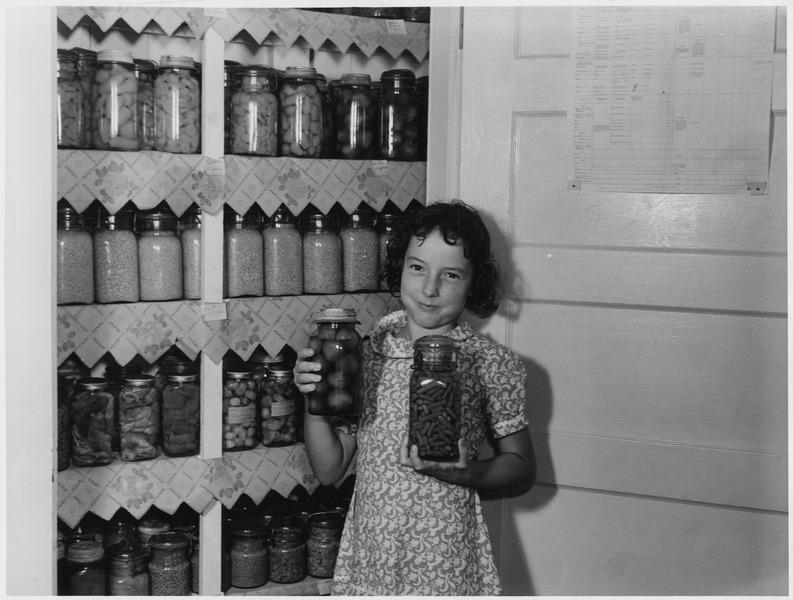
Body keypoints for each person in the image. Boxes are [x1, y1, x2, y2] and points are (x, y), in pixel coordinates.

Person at [294, 200, 536, 595]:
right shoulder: (367, 354)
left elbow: (522, 469)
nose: (429, 288)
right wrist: (313, 399)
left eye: (452, 274)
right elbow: (329, 469)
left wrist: (464, 473)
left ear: (474, 282)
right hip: (371, 559)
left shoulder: (490, 363)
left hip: (445, 563)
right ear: (400, 267)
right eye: (417, 267)